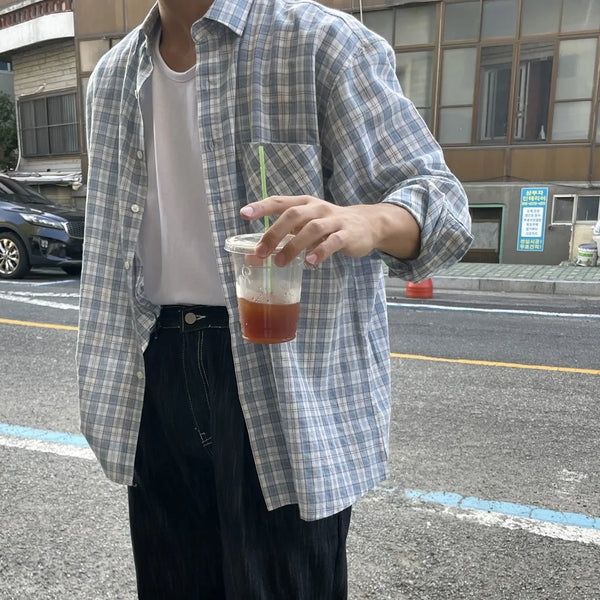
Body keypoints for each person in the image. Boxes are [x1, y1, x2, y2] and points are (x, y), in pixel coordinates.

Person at [76, 0, 473, 598]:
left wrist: (368, 219)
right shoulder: (111, 78)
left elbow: (444, 203)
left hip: (280, 375)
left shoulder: (319, 42)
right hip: (152, 366)